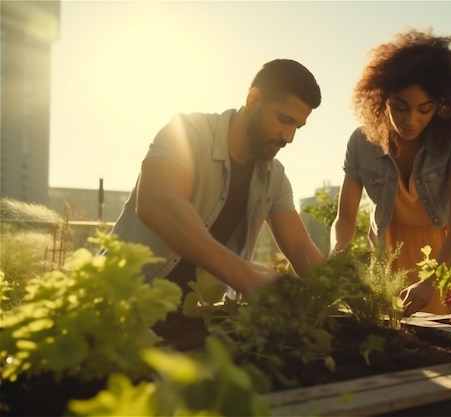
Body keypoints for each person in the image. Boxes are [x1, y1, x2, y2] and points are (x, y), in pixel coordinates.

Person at [108, 59, 325, 350]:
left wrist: (344, 291)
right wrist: (247, 277)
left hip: (193, 321)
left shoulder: (275, 178)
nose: (289, 137)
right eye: (284, 120)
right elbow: (158, 203)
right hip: (121, 311)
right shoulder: (187, 132)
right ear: (254, 99)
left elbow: (300, 248)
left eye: (298, 126)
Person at [329, 28, 451, 318]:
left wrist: (431, 282)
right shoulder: (360, 142)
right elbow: (345, 219)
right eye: (399, 108)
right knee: (406, 330)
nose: (411, 120)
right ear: (381, 99)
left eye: (424, 109)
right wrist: (335, 258)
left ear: (440, 104)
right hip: (396, 242)